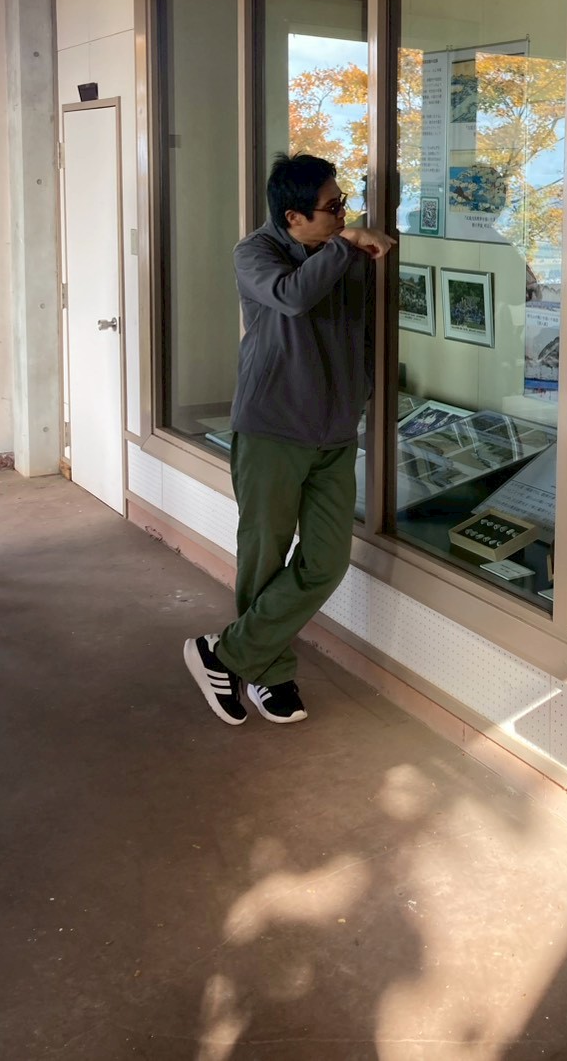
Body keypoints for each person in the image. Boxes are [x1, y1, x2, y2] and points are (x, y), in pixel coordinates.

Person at [184, 153, 394, 725]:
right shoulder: (254, 253)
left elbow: (363, 331)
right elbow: (293, 297)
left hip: (334, 433)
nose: (343, 215)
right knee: (264, 555)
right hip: (272, 430)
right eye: (332, 207)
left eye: (343, 204)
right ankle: (270, 674)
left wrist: (363, 389)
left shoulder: (344, 254)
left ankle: (225, 654)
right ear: (293, 216)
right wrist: (345, 246)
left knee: (326, 562)